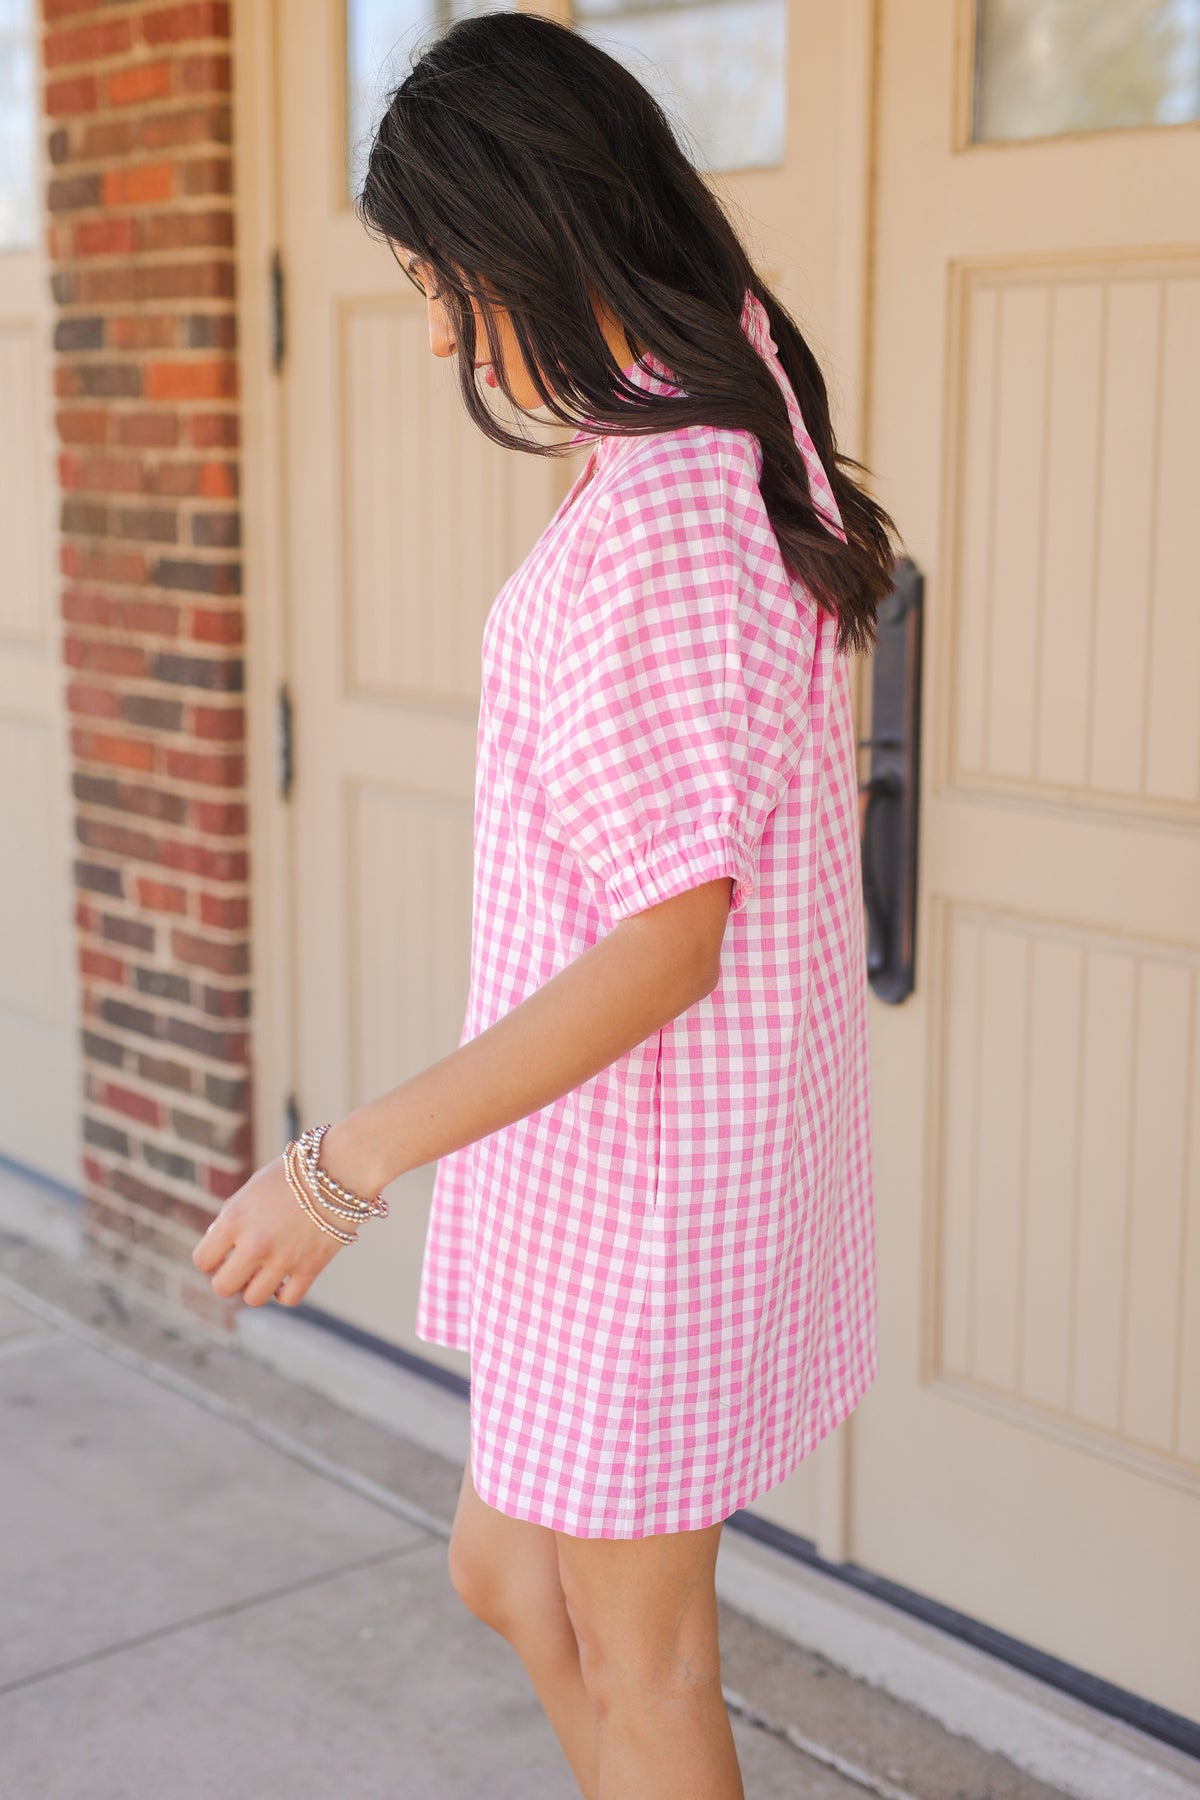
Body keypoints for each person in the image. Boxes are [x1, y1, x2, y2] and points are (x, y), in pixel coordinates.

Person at [193, 13, 902, 1796]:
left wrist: (337, 1163)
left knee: (645, 1664)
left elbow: (673, 943)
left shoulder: (666, 512)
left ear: (542, 229)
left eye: (443, 276)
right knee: (506, 1572)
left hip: (650, 1183)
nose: (437, 328)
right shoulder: (724, 399)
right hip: (617, 1168)